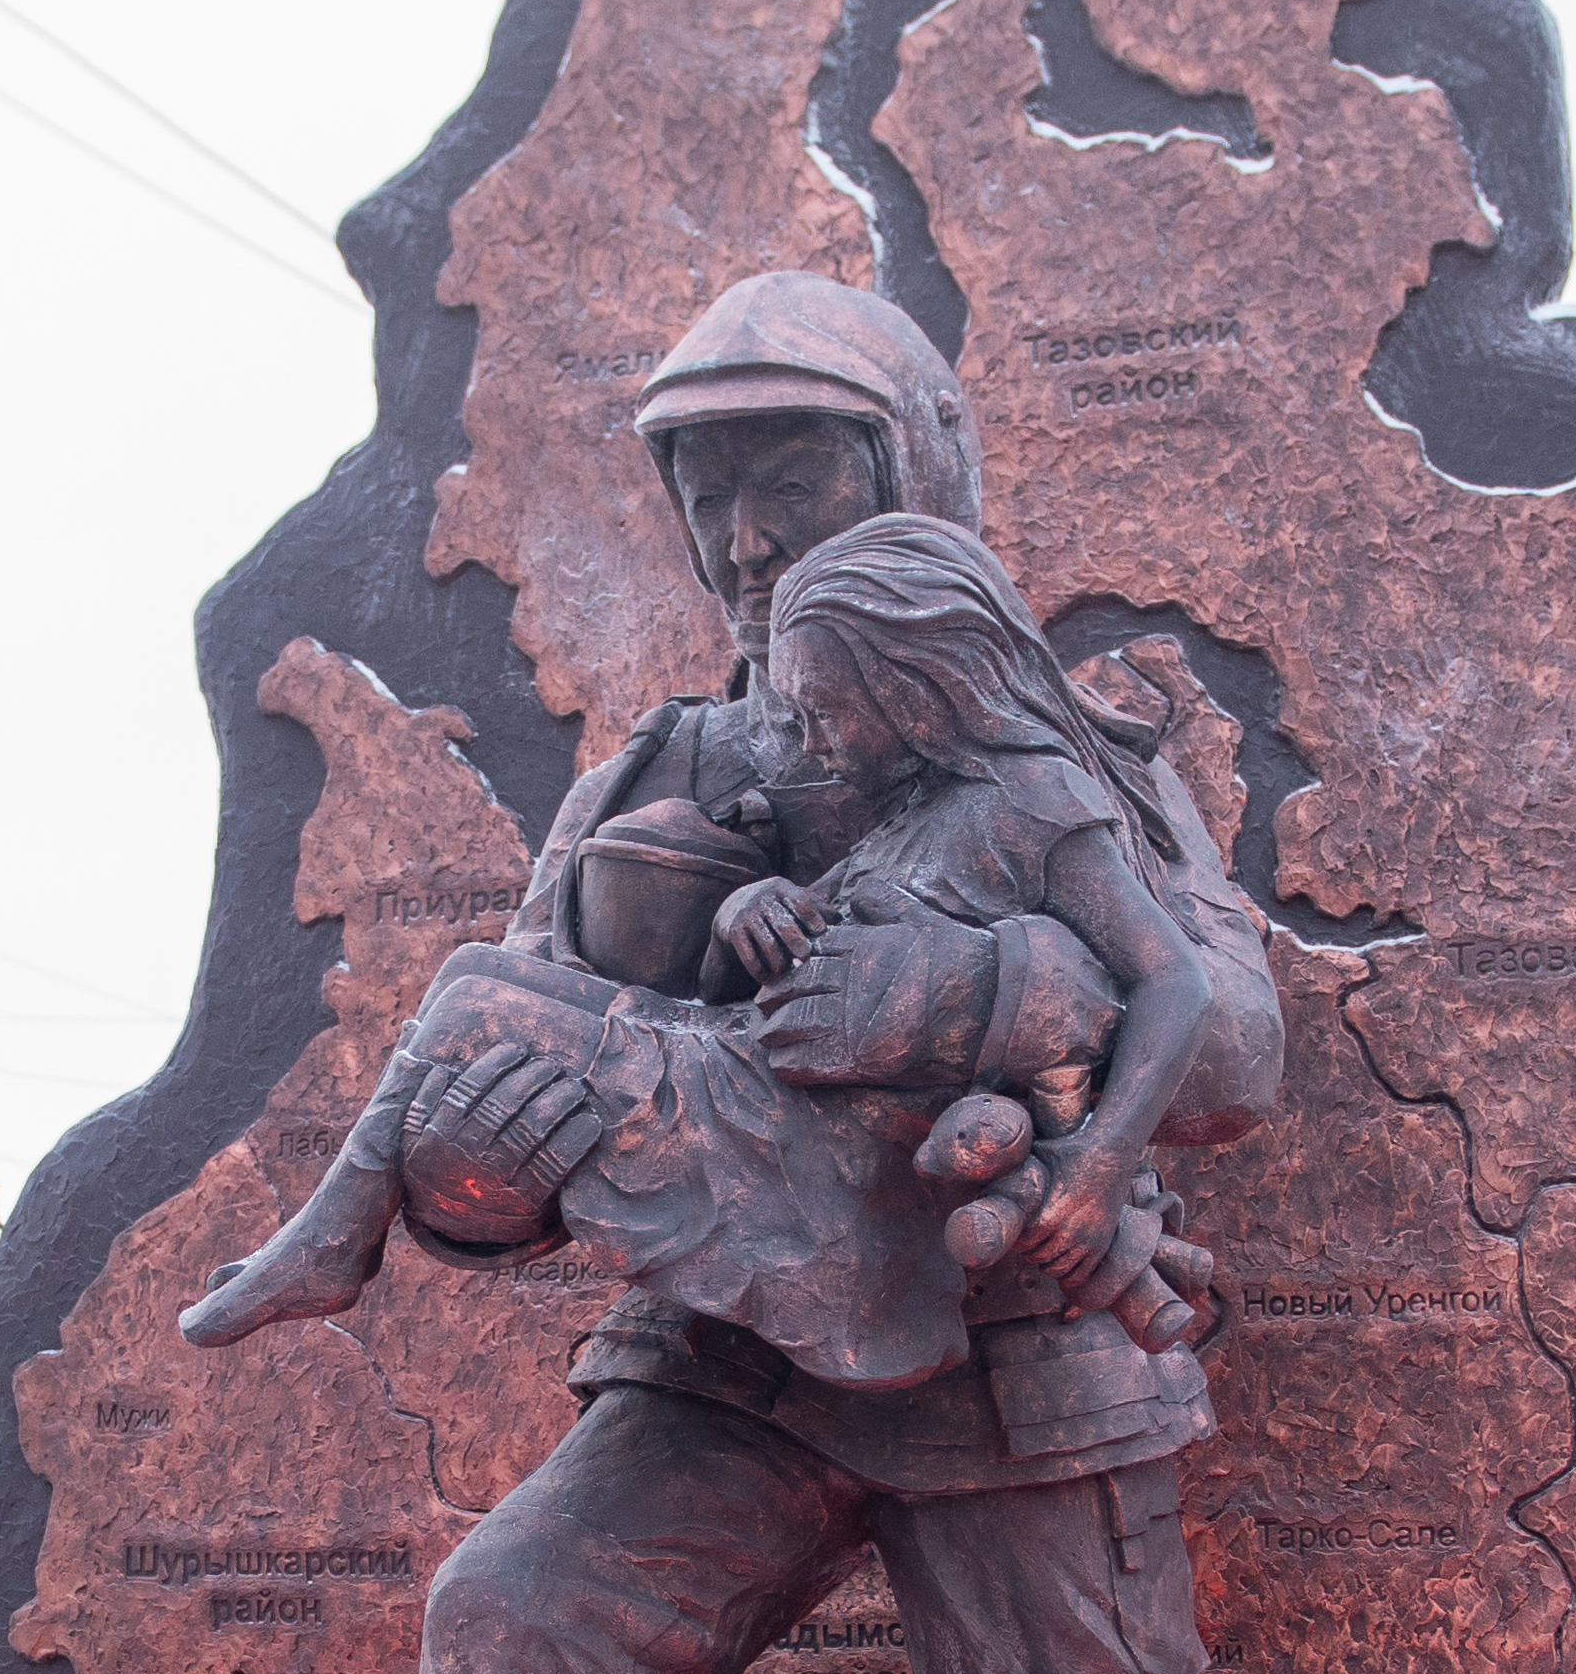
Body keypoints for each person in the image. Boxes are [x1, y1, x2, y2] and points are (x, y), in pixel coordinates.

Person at [183, 278, 1285, 1674]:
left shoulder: (1053, 746)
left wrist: (965, 999)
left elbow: (1227, 1029)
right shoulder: (662, 770)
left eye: (794, 471)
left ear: (909, 471)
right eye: (713, 487)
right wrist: (487, 1174)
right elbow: (508, 1096)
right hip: (729, 1351)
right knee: (519, 1619)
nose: (751, 531)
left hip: (1019, 1341)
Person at [183, 512, 1221, 1378]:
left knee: (469, 994)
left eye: (823, 712)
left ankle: (327, 1239)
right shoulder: (893, 807)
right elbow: (774, 990)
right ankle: (329, 1235)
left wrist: (1095, 1166)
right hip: (746, 1086)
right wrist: (744, 918)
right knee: (475, 990)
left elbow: (1175, 986)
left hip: (818, 1156)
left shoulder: (1037, 800)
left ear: (914, 691)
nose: (806, 742)